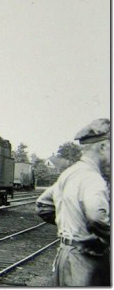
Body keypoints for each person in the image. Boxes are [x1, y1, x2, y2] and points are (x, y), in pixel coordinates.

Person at [36, 118, 111, 286]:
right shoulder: (92, 178)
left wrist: (72, 227)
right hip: (86, 259)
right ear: (103, 147)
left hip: (66, 255)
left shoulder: (69, 173)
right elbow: (96, 217)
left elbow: (43, 205)